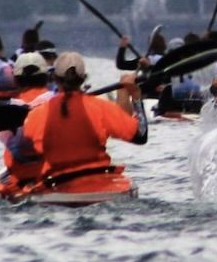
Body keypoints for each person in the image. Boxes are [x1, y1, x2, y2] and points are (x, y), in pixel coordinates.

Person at [19, 51, 148, 184]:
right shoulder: (101, 107)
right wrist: (136, 96)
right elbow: (140, 135)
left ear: (55, 79)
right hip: (100, 182)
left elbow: (26, 153)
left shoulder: (36, 115)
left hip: (57, 185)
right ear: (84, 78)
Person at [0, 52, 57, 192]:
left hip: (20, 177)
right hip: (53, 174)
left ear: (16, 80)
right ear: (46, 77)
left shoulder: (6, 111)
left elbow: (11, 144)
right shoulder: (58, 102)